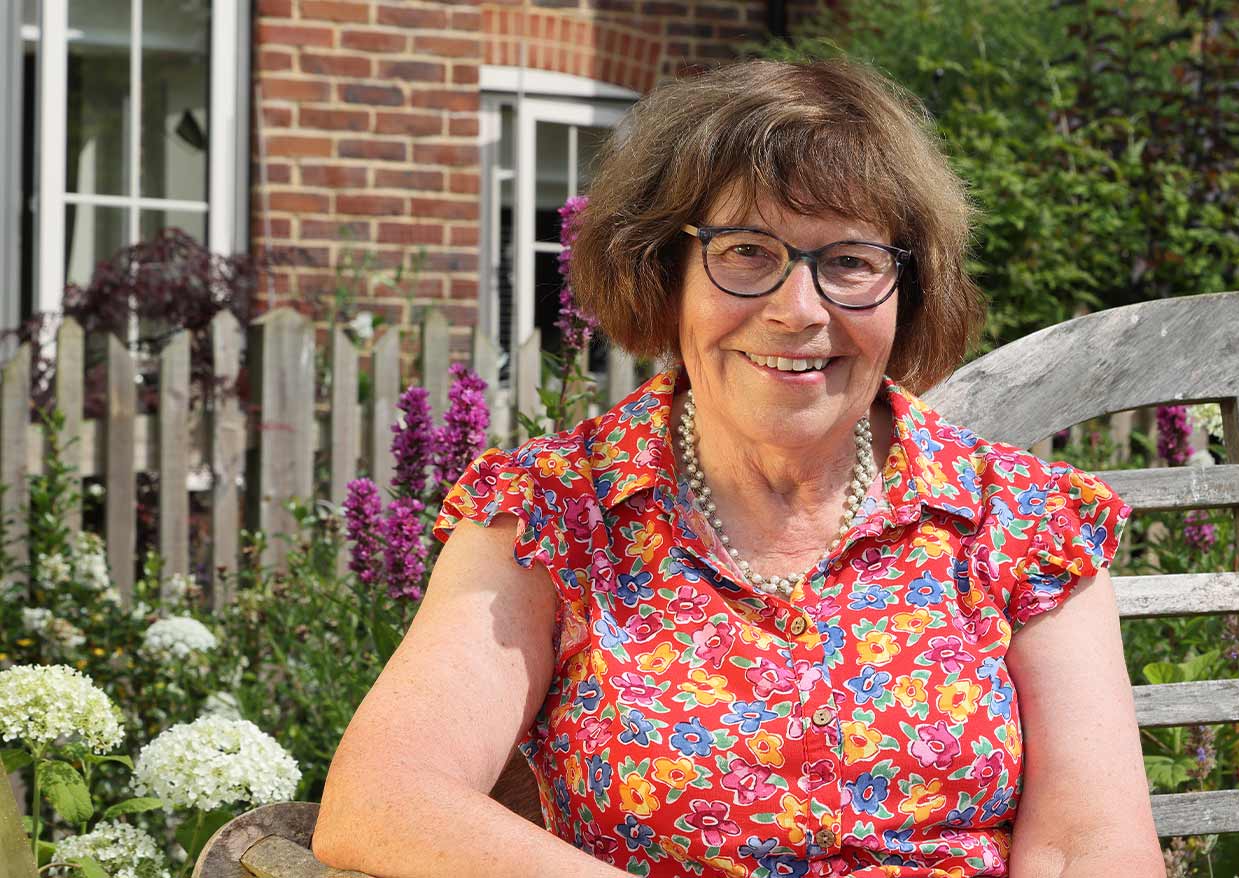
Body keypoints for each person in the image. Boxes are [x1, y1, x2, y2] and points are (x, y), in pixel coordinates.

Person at [314, 58, 1163, 877]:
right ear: (664, 270)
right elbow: (385, 796)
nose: (799, 311)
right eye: (748, 252)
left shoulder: (1016, 519)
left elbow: (1091, 846)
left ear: (908, 290)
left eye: (851, 262)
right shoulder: (554, 514)